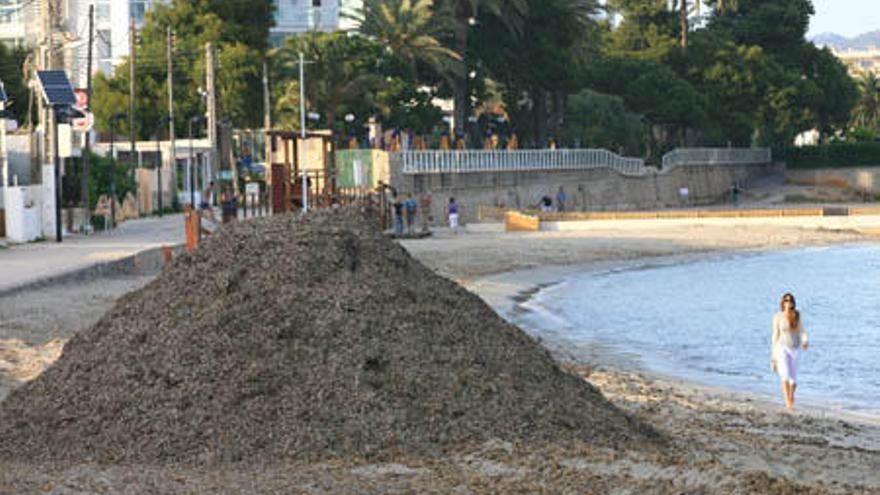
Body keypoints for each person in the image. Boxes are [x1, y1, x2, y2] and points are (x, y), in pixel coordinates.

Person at [771, 293, 809, 410]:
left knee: (794, 380)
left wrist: (805, 340)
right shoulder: (778, 316)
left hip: (795, 348)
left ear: (793, 303)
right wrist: (773, 355)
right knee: (785, 375)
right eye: (786, 301)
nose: (788, 303)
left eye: (790, 301)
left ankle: (791, 398)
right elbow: (775, 335)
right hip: (781, 347)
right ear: (782, 303)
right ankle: (788, 402)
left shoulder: (797, 315)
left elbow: (802, 330)